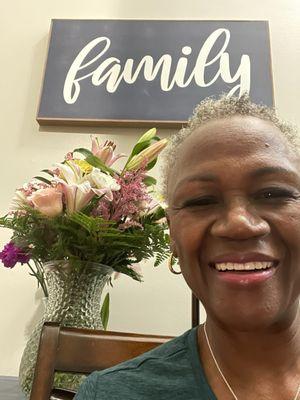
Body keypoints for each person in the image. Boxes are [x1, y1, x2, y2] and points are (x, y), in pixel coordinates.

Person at [74, 94, 300, 400]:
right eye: (201, 201)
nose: (239, 224)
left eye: (273, 194)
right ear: (172, 236)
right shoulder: (111, 395)